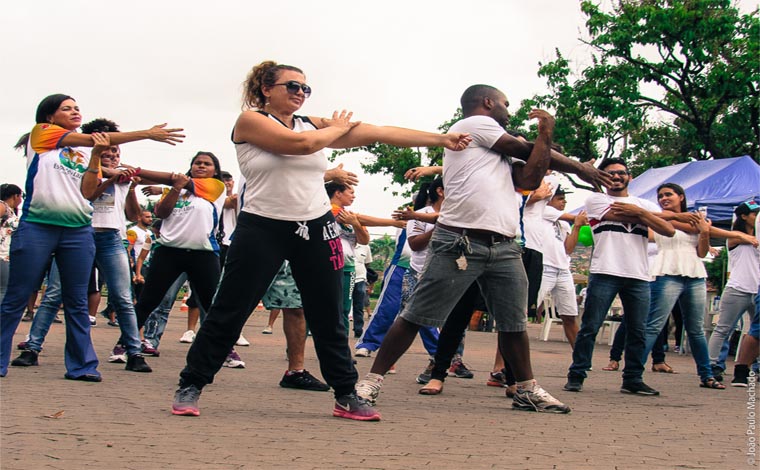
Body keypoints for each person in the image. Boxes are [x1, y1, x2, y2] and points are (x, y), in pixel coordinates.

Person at [170, 60, 472, 421]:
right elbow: (302, 145)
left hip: (315, 226)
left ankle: (345, 394)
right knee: (230, 309)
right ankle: (192, 383)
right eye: (292, 86)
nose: (300, 93)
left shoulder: (312, 124)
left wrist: (441, 139)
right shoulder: (251, 121)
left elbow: (376, 132)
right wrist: (338, 128)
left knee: (330, 315)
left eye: (305, 88)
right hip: (263, 227)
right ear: (266, 90)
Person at [355, 83, 613, 414]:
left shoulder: (498, 156)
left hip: (504, 246)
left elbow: (532, 177)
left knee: (514, 322)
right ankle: (371, 381)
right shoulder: (473, 125)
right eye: (505, 104)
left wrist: (546, 136)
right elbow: (526, 148)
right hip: (460, 241)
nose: (509, 110)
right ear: (488, 103)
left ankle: (526, 389)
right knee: (416, 315)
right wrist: (581, 167)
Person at [0, 93, 183, 379]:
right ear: (50, 116)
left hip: (77, 231)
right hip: (38, 226)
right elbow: (91, 139)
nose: (74, 112)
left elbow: (88, 191)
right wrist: (147, 134)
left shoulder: (87, 151)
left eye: (77, 108)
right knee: (16, 296)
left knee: (76, 301)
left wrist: (97, 156)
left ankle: (82, 366)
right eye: (66, 109)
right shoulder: (42, 135)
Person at [563, 159, 694, 396]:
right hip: (605, 271)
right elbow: (624, 215)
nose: (616, 177)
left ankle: (633, 378)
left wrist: (643, 212)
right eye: (610, 173)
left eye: (621, 173)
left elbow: (669, 230)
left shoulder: (643, 204)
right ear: (603, 177)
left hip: (638, 274)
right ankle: (577, 374)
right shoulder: (596, 200)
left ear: (629, 177)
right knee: (590, 326)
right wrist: (651, 216)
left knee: (638, 329)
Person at [640, 184, 755, 390]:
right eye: (661, 196)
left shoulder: (696, 220)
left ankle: (707, 375)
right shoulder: (658, 217)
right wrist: (733, 234)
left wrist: (704, 233)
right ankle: (634, 373)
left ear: (681, 197)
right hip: (667, 271)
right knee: (654, 325)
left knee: (696, 329)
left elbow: (701, 252)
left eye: (669, 195)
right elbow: (676, 224)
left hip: (694, 273)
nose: (664, 198)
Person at [707, 201, 759, 380]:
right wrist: (751, 237)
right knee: (723, 329)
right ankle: (713, 365)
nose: (757, 217)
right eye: (754, 214)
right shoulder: (735, 237)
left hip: (757, 290)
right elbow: (742, 238)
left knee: (757, 331)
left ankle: (754, 366)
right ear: (744, 216)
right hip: (738, 288)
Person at [536, 185, 585, 347]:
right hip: (544, 267)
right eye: (560, 198)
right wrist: (577, 219)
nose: (564, 202)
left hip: (563, 269)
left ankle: (580, 358)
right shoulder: (543, 211)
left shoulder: (564, 223)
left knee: (570, 315)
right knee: (524, 311)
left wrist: (577, 227)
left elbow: (568, 249)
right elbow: (572, 217)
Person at [0, 184, 23, 305]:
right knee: (3, 291)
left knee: (5, 290)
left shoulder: (11, 211)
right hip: (2, 255)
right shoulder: (3, 206)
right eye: (21, 196)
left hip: (7, 256)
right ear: (15, 196)